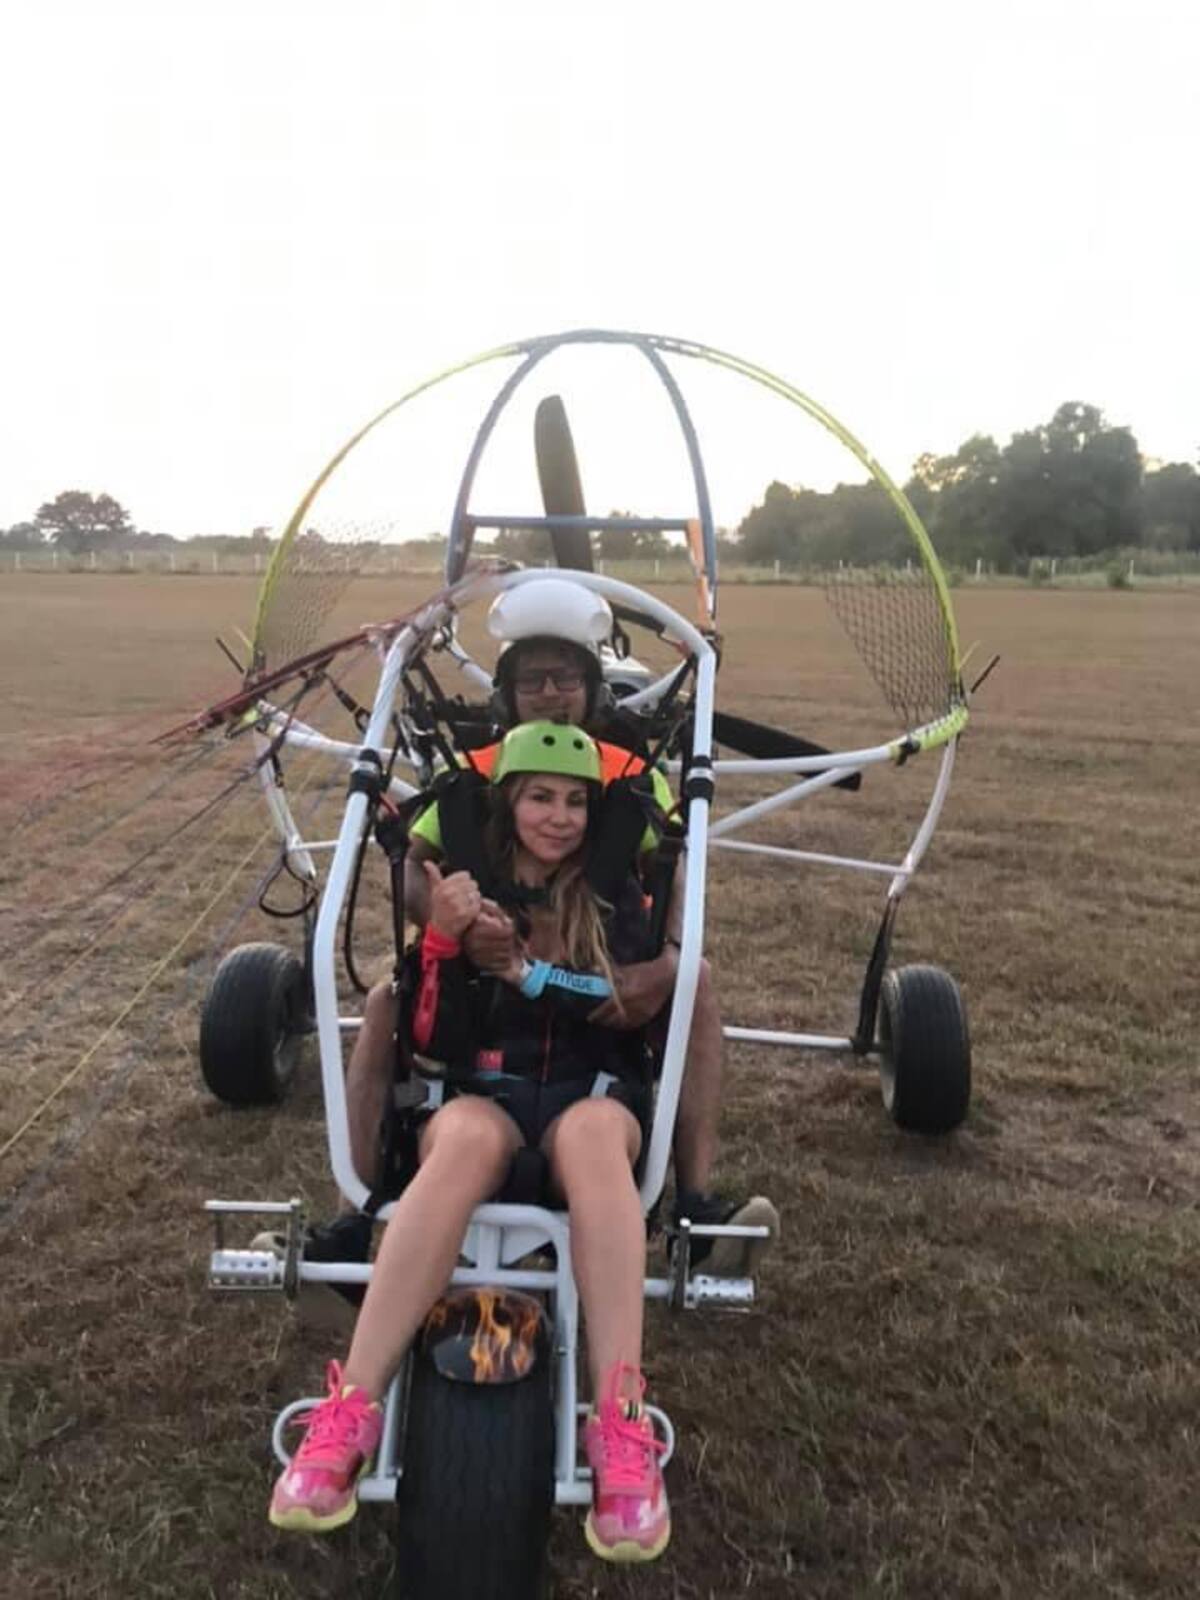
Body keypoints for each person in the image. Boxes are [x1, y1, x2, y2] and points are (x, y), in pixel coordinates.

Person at [269, 724, 670, 1563]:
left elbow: (623, 1004)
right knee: (455, 1147)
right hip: (481, 1090)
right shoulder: (462, 894)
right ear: (507, 804)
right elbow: (434, 1034)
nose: (557, 818)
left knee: (598, 1138)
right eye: (539, 798)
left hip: (587, 1101)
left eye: (574, 803)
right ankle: (348, 1412)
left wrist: (541, 972)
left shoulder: (614, 901)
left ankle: (622, 1427)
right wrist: (447, 943)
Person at [326, 579, 778, 1280]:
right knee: (386, 995)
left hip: (595, 965)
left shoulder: (635, 780)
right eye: (530, 677)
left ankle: (693, 1207)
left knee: (697, 984)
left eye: (564, 675)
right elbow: (413, 868)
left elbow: (676, 875)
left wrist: (667, 961)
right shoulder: (471, 776)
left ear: (591, 687)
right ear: (505, 691)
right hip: (480, 974)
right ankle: (355, 1216)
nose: (548, 690)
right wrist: (455, 923)